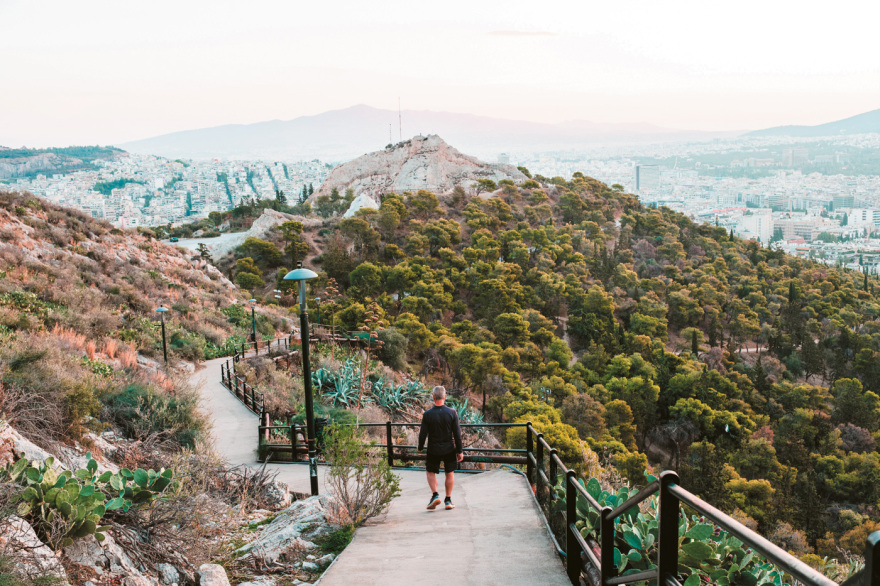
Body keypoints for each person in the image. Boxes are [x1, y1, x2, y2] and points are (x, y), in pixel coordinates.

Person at [418, 385, 463, 510]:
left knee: (430, 472)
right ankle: (448, 500)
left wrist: (420, 446)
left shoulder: (427, 414)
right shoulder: (452, 412)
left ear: (433, 397)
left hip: (433, 449)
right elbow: (457, 434)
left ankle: (435, 495)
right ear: (445, 397)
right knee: (450, 473)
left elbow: (423, 433)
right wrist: (460, 451)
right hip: (449, 448)